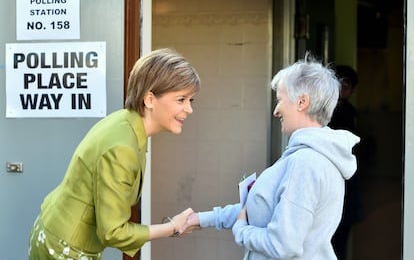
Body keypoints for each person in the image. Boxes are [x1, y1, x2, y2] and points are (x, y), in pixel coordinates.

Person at [28, 48, 201, 260]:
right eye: (181, 99)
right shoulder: (123, 148)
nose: (189, 109)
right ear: (149, 99)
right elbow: (113, 231)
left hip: (55, 227)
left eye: (190, 100)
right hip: (67, 246)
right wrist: (172, 227)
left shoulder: (125, 120)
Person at [184, 54, 360, 259]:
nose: (276, 111)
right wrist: (200, 219)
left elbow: (282, 245)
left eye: (280, 100)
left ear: (302, 102)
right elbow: (259, 211)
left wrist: (241, 230)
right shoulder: (310, 156)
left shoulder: (306, 163)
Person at [329, 65, 364, 260]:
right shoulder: (323, 111)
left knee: (340, 238)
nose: (341, 87)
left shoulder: (349, 112)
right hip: (333, 180)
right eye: (338, 82)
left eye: (346, 83)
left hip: (347, 181)